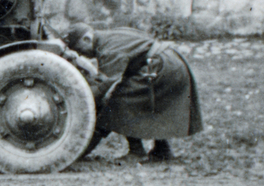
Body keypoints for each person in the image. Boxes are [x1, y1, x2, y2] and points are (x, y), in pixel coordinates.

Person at [61, 23, 203, 161]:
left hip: (161, 66)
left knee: (120, 100)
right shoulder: (111, 34)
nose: (83, 55)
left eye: (80, 50)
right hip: (172, 61)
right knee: (151, 104)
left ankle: (136, 151)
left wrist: (81, 103)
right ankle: (162, 150)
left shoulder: (108, 49)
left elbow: (103, 85)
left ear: (87, 39)